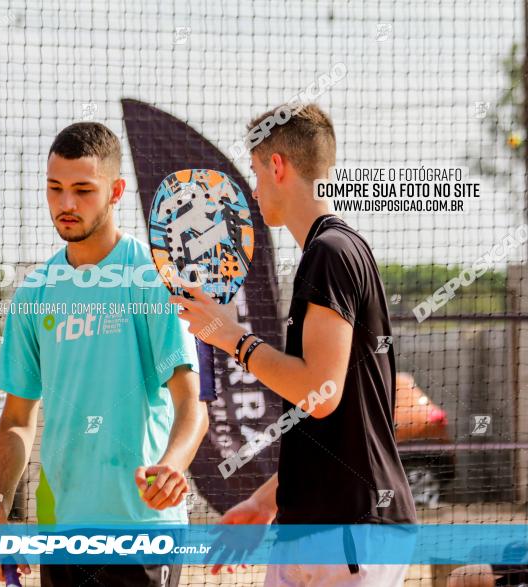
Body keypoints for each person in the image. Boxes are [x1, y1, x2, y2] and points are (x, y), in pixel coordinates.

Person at [173, 103, 417, 586]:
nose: (255, 188)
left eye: (256, 171)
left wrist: (231, 337)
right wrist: (264, 503)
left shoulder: (330, 252)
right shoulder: (334, 251)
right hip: (318, 529)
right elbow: (330, 428)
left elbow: (319, 394)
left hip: (348, 531)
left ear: (278, 166)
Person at [0, 122, 208, 586]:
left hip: (143, 533)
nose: (66, 204)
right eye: (55, 188)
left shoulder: (149, 277)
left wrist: (172, 467)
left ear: (116, 190)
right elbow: (15, 420)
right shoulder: (35, 293)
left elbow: (193, 406)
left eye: (83, 190)